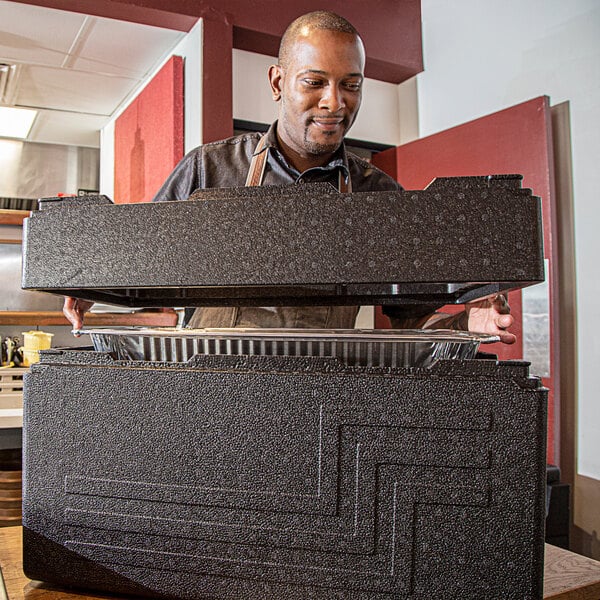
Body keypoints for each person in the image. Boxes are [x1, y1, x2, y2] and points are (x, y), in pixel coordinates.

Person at [64, 10, 515, 343]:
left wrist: (467, 322)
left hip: (317, 399)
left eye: (351, 85)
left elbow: (412, 319)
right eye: (314, 82)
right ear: (278, 82)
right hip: (208, 393)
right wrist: (96, 281)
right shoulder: (209, 169)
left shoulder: (378, 195)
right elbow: (146, 266)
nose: (334, 102)